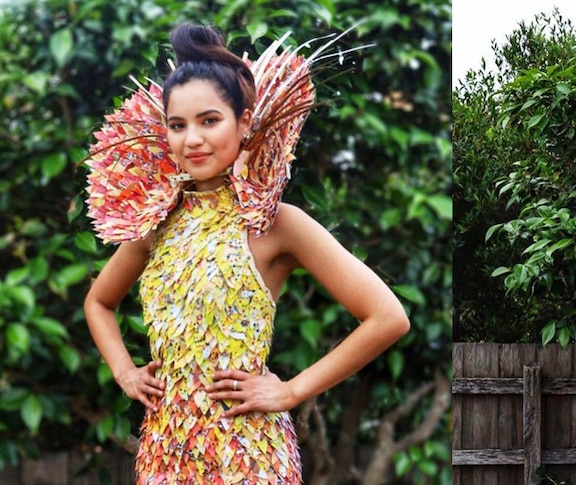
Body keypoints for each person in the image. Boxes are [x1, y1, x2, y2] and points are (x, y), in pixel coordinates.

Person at [83, 23, 409, 483]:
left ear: (244, 122)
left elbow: (387, 317)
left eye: (209, 120)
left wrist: (292, 391)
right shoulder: (155, 223)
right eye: (178, 125)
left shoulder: (276, 222)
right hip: (164, 452)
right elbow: (99, 302)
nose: (191, 139)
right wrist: (124, 371)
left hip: (249, 453)